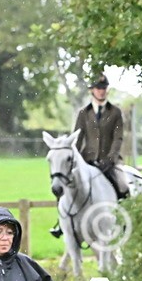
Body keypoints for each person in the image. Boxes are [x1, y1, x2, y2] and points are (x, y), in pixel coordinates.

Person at [50, 72, 129, 238]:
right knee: (64, 185)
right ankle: (61, 223)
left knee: (123, 185)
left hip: (110, 161)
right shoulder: (83, 113)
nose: (101, 91)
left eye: (104, 88)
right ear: (92, 90)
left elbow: (118, 138)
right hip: (87, 160)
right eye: (98, 88)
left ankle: (122, 219)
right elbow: (76, 139)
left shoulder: (115, 112)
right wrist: (75, 159)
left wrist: (110, 159)